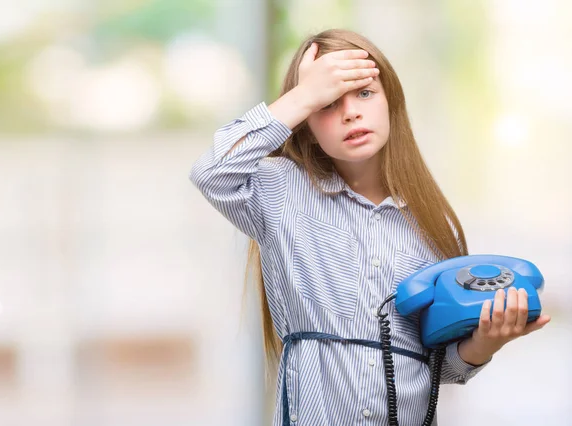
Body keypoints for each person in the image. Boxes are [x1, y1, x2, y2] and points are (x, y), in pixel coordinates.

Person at [188, 28, 550, 426]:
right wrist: (303, 95)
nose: (350, 113)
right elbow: (213, 172)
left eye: (364, 93)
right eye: (328, 102)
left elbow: (434, 366)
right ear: (306, 124)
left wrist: (485, 342)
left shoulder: (430, 222)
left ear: (390, 101)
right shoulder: (281, 189)